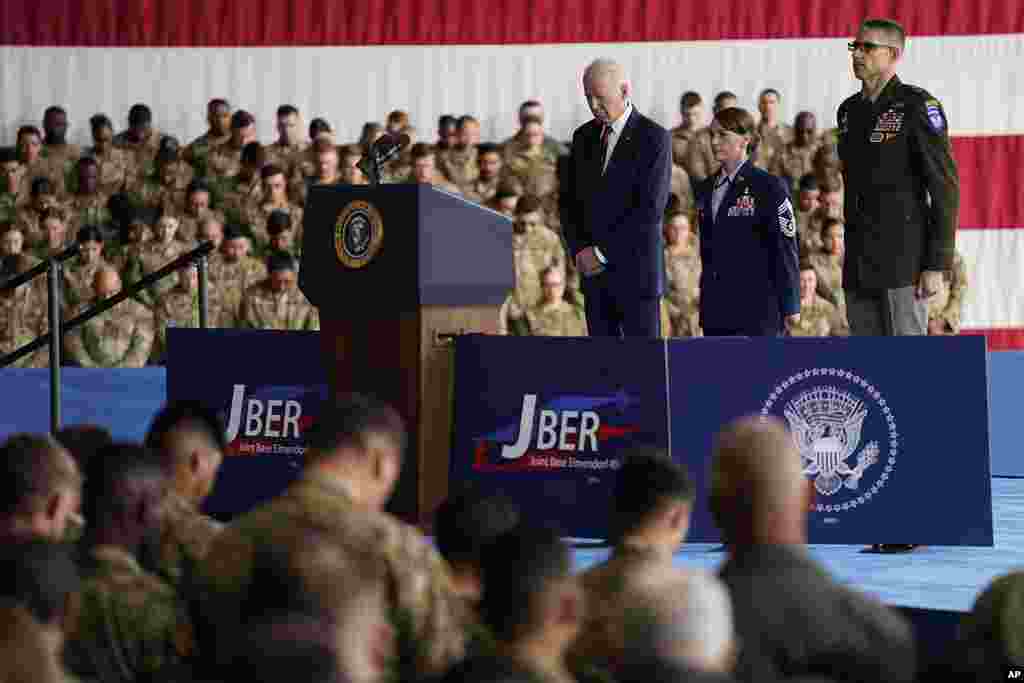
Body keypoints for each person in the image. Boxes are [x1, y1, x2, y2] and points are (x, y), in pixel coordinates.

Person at [837, 17, 959, 337]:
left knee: (908, 368)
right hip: (859, 263)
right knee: (867, 374)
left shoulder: (917, 105)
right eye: (855, 46)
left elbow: (945, 187)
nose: (857, 54)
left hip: (903, 263)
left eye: (868, 47)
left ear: (893, 54)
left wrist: (936, 263)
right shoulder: (849, 111)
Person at [562, 58, 672, 338]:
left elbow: (649, 212)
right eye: (588, 98)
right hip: (594, 278)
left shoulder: (654, 138)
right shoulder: (583, 137)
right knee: (603, 370)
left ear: (624, 91)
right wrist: (580, 250)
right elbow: (569, 203)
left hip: (637, 278)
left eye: (600, 97)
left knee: (643, 370)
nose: (594, 105)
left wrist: (602, 253)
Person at [695, 107, 800, 336]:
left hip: (759, 310)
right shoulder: (705, 188)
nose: (714, 141)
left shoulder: (769, 187)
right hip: (717, 309)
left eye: (723, 135)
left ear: (745, 140)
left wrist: (791, 303)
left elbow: (785, 247)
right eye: (712, 134)